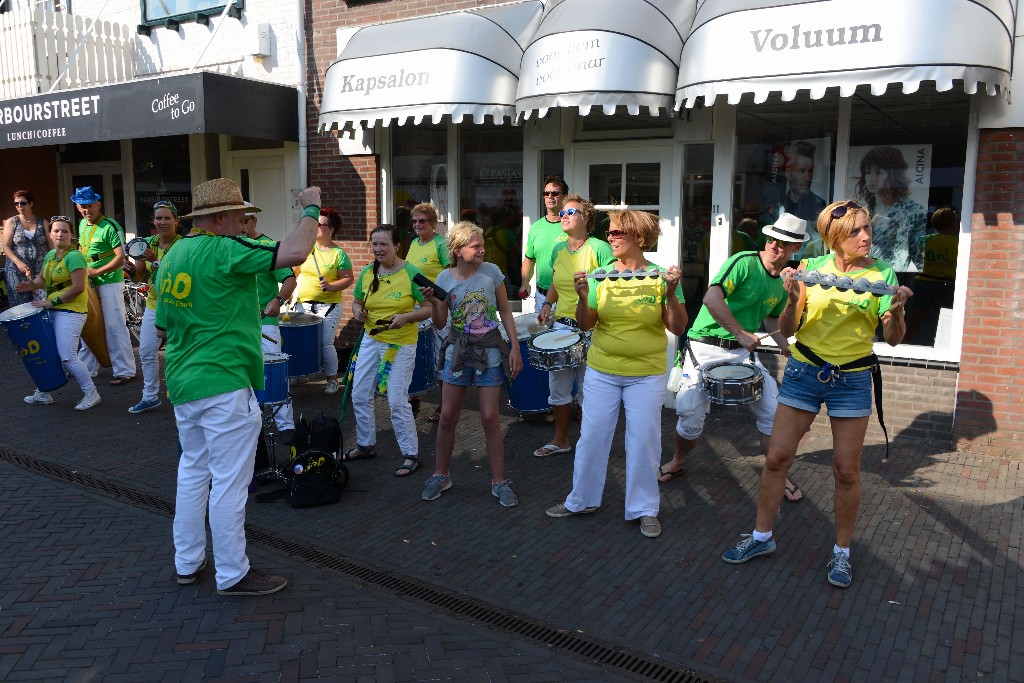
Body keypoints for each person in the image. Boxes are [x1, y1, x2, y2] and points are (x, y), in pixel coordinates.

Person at [720, 200, 912, 588]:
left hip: (853, 378)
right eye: (857, 230)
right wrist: (791, 298)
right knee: (776, 458)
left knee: (846, 470)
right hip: (805, 371)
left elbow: (892, 340)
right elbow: (788, 329)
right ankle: (761, 538)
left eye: (867, 228)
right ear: (835, 237)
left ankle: (841, 553)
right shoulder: (811, 269)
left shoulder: (882, 273)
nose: (866, 236)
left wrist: (898, 311)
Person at [156, 178, 322, 596]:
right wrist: (311, 209)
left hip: (183, 380)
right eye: (240, 215)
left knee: (193, 472)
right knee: (229, 482)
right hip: (224, 380)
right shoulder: (224, 248)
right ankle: (233, 573)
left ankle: (187, 562)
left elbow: (161, 324)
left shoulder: (175, 253)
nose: (245, 221)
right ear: (220, 218)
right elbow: (297, 252)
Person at [545, 210, 687, 539]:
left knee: (643, 442)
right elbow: (586, 323)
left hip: (646, 374)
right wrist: (582, 298)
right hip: (602, 370)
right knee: (592, 436)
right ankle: (581, 500)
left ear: (639, 237)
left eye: (617, 233)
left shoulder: (659, 276)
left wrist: (670, 293)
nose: (610, 238)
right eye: (609, 233)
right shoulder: (602, 275)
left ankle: (645, 508)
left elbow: (678, 326)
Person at [659, 213, 806, 503]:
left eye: (784, 242)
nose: (776, 245)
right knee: (690, 418)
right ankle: (677, 461)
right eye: (772, 238)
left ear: (795, 249)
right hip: (703, 348)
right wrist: (740, 332)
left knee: (773, 414)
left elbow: (772, 322)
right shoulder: (743, 261)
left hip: (741, 352)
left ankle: (778, 473)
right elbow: (711, 299)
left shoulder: (783, 282)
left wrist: (789, 348)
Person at [419, 221, 523, 505]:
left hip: (490, 350)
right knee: (448, 415)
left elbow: (505, 311)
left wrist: (514, 348)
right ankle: (441, 475)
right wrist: (436, 303)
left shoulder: (492, 272)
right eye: (476, 246)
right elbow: (440, 322)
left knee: (490, 417)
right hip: (458, 352)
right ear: (457, 249)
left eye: (483, 245)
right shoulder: (444, 278)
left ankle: (499, 481)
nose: (482, 250)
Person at [345, 224, 432, 477]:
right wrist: (357, 311)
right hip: (372, 339)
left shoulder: (413, 273)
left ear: (397, 246)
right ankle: (365, 444)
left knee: (396, 400)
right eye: (374, 244)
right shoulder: (367, 272)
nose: (378, 249)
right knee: (360, 393)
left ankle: (410, 454)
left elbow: (429, 307)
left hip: (400, 343)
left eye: (384, 244)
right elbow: (357, 301)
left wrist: (406, 317)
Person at [533, 194, 615, 458]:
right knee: (558, 386)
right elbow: (557, 281)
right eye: (564, 213)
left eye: (572, 212)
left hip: (592, 327)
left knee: (589, 389)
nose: (565, 216)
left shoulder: (599, 248)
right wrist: (547, 303)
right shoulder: (558, 250)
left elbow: (611, 285)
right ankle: (561, 439)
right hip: (562, 328)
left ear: (586, 218)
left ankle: (590, 443)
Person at [16, 216, 101, 409]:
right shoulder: (51, 255)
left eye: (64, 231)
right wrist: (31, 285)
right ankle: (43, 392)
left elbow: (79, 287)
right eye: (56, 231)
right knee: (49, 353)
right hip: (53, 310)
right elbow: (42, 280)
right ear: (50, 234)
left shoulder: (75, 256)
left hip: (71, 312)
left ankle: (91, 393)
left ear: (72, 235)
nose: (60, 234)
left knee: (68, 356)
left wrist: (50, 301)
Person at [241, 202, 297, 437]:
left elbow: (289, 279)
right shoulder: (229, 246)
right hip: (239, 324)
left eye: (245, 220)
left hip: (265, 322)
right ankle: (250, 425)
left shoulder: (268, 247)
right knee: (242, 376)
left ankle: (286, 425)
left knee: (274, 374)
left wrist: (277, 300)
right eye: (238, 221)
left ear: (254, 221)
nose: (241, 226)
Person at [71, 186, 137, 385]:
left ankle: (125, 370)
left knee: (114, 325)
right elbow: (82, 249)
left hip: (109, 282)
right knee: (90, 325)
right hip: (90, 283)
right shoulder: (83, 224)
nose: (87, 210)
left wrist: (96, 272)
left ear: (98, 204)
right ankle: (87, 368)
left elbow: (120, 258)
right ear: (77, 206)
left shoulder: (110, 226)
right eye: (82, 206)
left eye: (90, 205)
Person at [125, 201, 182, 414]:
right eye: (159, 218)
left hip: (180, 305)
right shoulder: (147, 243)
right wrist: (131, 270)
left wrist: (156, 261)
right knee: (147, 352)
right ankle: (150, 397)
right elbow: (140, 275)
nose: (163, 222)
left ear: (176, 221)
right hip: (154, 304)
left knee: (178, 353)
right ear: (153, 221)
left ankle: (180, 395)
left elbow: (178, 275)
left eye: (167, 218)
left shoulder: (183, 245)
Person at [292, 207, 354, 395]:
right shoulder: (306, 249)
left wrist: (332, 286)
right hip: (303, 304)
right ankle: (303, 374)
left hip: (329, 306)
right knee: (301, 341)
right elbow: (294, 273)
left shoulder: (338, 254)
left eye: (320, 224)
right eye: (315, 224)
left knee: (325, 344)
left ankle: (332, 379)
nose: (316, 227)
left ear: (331, 229)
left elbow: (348, 278)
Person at [405, 202, 452, 420]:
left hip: (439, 307)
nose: (417, 225)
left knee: (440, 356)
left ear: (433, 223)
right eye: (414, 221)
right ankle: (414, 396)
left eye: (422, 221)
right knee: (416, 353)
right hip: (418, 307)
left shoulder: (441, 244)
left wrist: (438, 296)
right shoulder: (414, 243)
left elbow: (451, 276)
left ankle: (445, 405)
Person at [854, 146, 927, 273]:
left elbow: (921, 259)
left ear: (893, 175)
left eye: (878, 172)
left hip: (892, 283)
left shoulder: (913, 212)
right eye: (868, 172)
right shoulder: (860, 212)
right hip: (858, 280)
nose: (872, 178)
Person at [906, 207, 959, 344]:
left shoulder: (925, 240)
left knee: (914, 321)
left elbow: (916, 259)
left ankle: (906, 343)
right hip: (945, 285)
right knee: (943, 320)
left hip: (923, 283)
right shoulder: (958, 243)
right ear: (954, 223)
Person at [520, 175, 569, 309]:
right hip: (542, 296)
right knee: (541, 330)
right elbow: (529, 260)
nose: (550, 196)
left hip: (567, 296)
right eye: (546, 193)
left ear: (564, 196)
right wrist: (525, 283)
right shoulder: (536, 227)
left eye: (555, 193)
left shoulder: (571, 225)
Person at [4, 190, 50, 307]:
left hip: (41, 270)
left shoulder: (43, 222)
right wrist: (18, 262)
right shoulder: (12, 222)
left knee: (41, 303)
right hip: (17, 270)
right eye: (16, 204)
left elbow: (53, 247)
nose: (19, 206)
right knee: (20, 306)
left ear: (31, 204)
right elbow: (5, 246)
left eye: (23, 203)